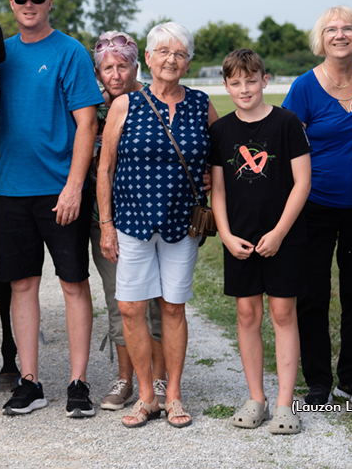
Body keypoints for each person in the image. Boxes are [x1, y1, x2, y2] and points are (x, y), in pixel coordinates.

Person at [0, 0, 104, 417]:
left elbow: (87, 123)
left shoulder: (70, 52)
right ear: (12, 3)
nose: (28, 5)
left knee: (74, 284)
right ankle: (30, 381)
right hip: (11, 188)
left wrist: (75, 185)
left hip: (60, 190)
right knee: (22, 284)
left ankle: (78, 382)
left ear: (49, 3)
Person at [97, 23, 217, 428]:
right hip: (131, 221)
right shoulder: (125, 105)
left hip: (182, 222)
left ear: (188, 62)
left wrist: (210, 180)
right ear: (147, 59)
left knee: (172, 306)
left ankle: (174, 394)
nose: (171, 59)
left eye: (180, 53)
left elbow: (221, 158)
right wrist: (106, 225)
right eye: (163, 51)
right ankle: (146, 396)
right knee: (130, 307)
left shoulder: (201, 105)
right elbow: (105, 168)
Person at [281, 6, 352, 407]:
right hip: (315, 206)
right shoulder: (305, 87)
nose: (340, 35)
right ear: (320, 38)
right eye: (332, 29)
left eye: (348, 29)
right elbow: (287, 146)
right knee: (313, 295)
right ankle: (318, 381)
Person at [209, 48, 311, 435]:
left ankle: (285, 404)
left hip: (284, 236)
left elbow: (303, 182)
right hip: (240, 240)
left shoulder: (287, 123)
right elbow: (217, 190)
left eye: (251, 80)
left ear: (264, 81)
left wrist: (280, 232)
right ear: (226, 85)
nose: (244, 88)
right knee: (247, 315)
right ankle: (257, 398)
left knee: (283, 314)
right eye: (235, 82)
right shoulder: (221, 132)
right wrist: (226, 234)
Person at [87, 31, 169, 413]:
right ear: (98, 70)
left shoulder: (156, 98)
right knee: (120, 302)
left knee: (158, 302)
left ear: (137, 65)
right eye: (107, 67)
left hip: (153, 215)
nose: (115, 74)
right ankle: (126, 379)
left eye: (122, 66)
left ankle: (159, 379)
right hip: (105, 217)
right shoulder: (92, 106)